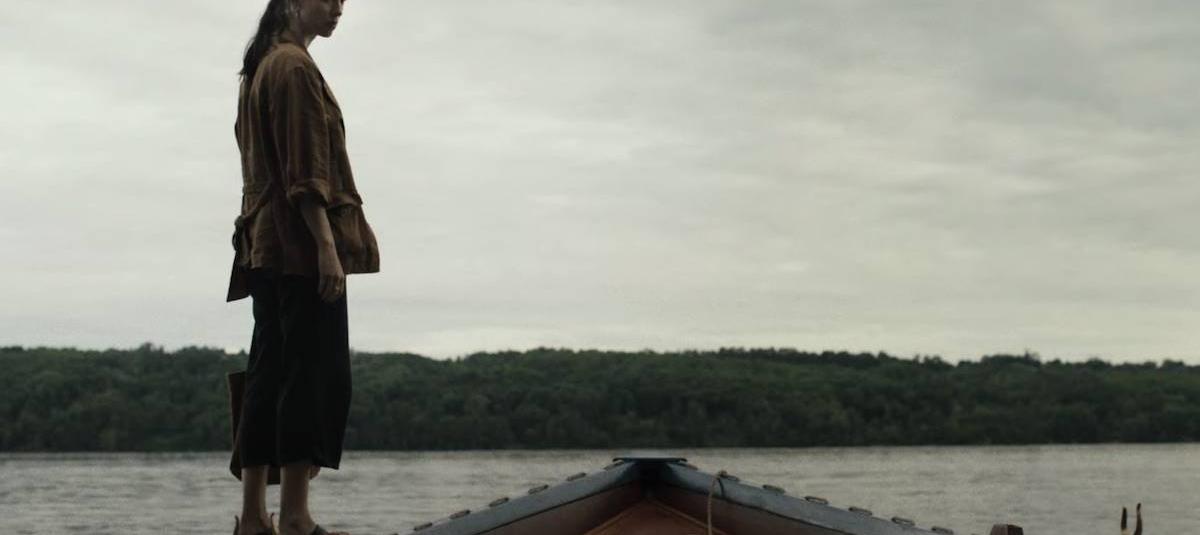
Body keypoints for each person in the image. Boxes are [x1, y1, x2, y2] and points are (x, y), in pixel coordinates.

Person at [227, 0, 379, 534]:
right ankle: (294, 516)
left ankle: (253, 518)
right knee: (310, 376)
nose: (338, 8)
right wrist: (326, 248)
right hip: (297, 249)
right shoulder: (292, 66)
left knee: (268, 375)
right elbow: (305, 172)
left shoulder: (260, 66)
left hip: (264, 247)